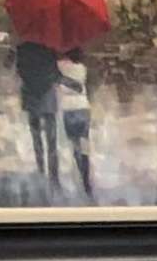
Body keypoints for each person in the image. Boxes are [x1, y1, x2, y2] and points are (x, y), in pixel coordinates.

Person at [13, 37, 61, 181]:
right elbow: (55, 74)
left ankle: (41, 169)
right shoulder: (50, 49)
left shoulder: (22, 49)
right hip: (47, 98)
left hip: (31, 98)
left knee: (36, 136)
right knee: (52, 139)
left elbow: (19, 71)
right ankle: (54, 175)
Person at [55, 50, 95, 199]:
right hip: (83, 108)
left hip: (68, 109)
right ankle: (86, 176)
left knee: (74, 144)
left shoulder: (59, 67)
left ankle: (80, 170)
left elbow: (55, 81)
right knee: (84, 143)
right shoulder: (83, 68)